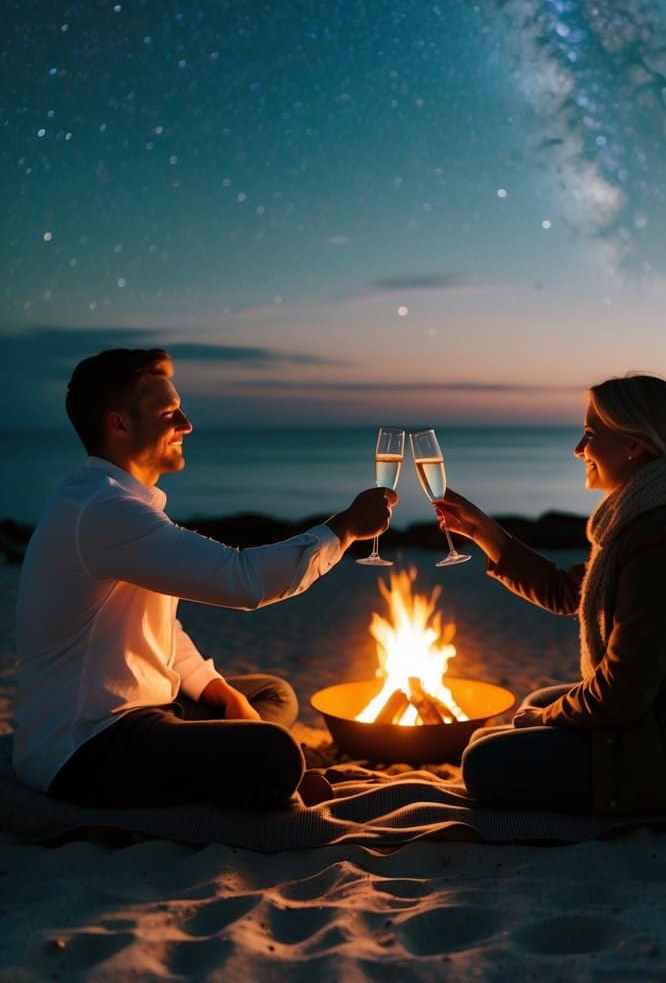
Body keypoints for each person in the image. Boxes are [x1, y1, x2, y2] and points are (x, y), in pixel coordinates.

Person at [13, 347, 396, 810]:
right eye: (169, 413)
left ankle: (221, 761)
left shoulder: (120, 504)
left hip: (149, 711)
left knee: (271, 695)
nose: (187, 425)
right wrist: (346, 528)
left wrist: (218, 691)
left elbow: (162, 629)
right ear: (119, 424)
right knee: (271, 752)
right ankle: (251, 779)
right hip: (85, 743)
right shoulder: (102, 511)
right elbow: (242, 581)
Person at [435, 374, 666, 814]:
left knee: (483, 762)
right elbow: (567, 592)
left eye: (591, 435)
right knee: (535, 705)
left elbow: (620, 694)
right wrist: (481, 530)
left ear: (633, 444)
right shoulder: (648, 514)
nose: (579, 449)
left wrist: (547, 719)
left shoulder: (664, 537)